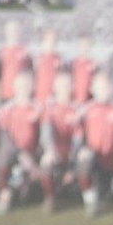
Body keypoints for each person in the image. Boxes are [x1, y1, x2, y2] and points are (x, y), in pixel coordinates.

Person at [77, 71, 113, 217]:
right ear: (92, 89)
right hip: (93, 160)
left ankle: (106, 191)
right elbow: (78, 137)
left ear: (111, 89)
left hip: (111, 164)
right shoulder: (86, 110)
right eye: (100, 87)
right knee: (85, 162)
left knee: (106, 193)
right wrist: (82, 149)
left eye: (106, 87)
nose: (103, 91)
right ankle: (90, 202)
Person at [0, 70, 41, 214]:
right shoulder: (6, 109)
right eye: (20, 85)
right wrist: (21, 155)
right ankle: (4, 196)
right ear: (14, 88)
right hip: (14, 152)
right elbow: (5, 137)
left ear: (32, 87)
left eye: (27, 85)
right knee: (3, 156)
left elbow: (43, 136)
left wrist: (36, 156)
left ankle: (26, 184)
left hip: (33, 154)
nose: (23, 88)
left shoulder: (39, 108)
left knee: (24, 197)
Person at [39, 71, 81, 213]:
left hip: (71, 155)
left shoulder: (77, 109)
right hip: (55, 153)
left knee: (83, 163)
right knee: (46, 163)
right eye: (61, 85)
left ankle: (74, 189)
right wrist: (50, 151)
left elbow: (78, 139)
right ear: (55, 87)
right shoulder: (49, 107)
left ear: (72, 87)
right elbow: (46, 131)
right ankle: (50, 199)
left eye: (67, 85)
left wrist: (72, 165)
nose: (64, 88)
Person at [0, 19, 33, 103]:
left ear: (19, 31)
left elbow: (30, 74)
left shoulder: (25, 52)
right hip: (5, 94)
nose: (13, 32)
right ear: (6, 32)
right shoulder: (1, 52)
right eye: (10, 30)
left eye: (15, 30)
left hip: (21, 95)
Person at [34, 28, 64, 104]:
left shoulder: (60, 60)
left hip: (55, 101)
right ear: (43, 41)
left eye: (53, 40)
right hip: (39, 100)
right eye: (48, 40)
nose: (50, 42)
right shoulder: (37, 60)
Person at [71, 35, 97, 105]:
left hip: (88, 100)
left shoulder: (94, 64)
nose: (84, 48)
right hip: (74, 100)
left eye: (87, 45)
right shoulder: (73, 63)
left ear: (90, 46)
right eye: (82, 45)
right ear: (79, 46)